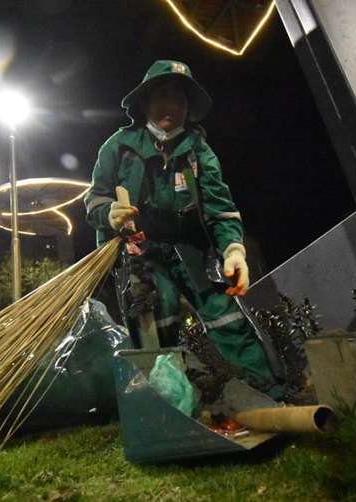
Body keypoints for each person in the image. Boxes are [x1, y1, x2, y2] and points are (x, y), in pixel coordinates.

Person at [84, 60, 281, 396]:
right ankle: (166, 405)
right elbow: (94, 199)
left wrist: (234, 252)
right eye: (162, 95)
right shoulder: (118, 147)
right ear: (145, 102)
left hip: (189, 246)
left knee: (224, 313)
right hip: (138, 251)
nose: (171, 105)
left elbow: (220, 208)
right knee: (156, 317)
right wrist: (109, 213)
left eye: (180, 98)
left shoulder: (199, 151)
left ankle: (272, 392)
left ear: (189, 108)